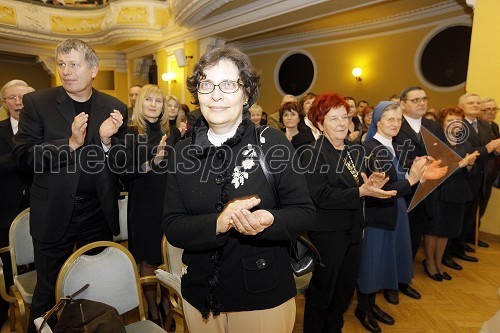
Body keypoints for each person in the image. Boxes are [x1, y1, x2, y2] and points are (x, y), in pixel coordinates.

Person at [163, 45, 315, 333]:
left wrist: (269, 220)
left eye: (229, 84)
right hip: (200, 297)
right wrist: (218, 223)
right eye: (206, 84)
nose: (216, 94)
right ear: (198, 93)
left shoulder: (273, 143)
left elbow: (305, 213)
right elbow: (173, 226)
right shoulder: (182, 152)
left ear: (246, 94)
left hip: (263, 296)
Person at [12, 39, 127, 333]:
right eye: (61, 64)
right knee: (48, 292)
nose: (65, 71)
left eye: (74, 64)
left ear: (93, 69)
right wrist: (70, 144)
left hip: (98, 212)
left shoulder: (114, 107)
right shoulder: (38, 102)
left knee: (95, 285)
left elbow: (122, 165)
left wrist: (105, 143)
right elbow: (23, 157)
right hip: (53, 210)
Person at [302, 94, 397, 333]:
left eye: (344, 117)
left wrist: (372, 184)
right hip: (328, 235)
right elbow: (321, 195)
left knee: (344, 292)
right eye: (333, 119)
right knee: (322, 293)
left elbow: (361, 183)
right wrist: (360, 192)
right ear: (320, 124)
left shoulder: (353, 150)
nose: (342, 123)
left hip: (354, 232)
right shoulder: (312, 153)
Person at [356, 102, 427, 333]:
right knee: (371, 264)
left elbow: (394, 178)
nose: (396, 124)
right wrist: (413, 179)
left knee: (382, 262)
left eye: (398, 120)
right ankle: (363, 309)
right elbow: (383, 189)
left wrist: (412, 173)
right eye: (390, 119)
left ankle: (371, 305)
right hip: (378, 216)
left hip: (393, 213)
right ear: (378, 121)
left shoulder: (390, 144)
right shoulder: (371, 148)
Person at [115, 84, 181, 328]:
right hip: (144, 205)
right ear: (139, 104)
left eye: (158, 100)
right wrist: (151, 163)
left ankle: (167, 302)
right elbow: (122, 173)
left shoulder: (171, 131)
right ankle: (152, 308)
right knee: (149, 259)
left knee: (171, 256)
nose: (154, 104)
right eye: (149, 100)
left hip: (171, 202)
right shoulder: (130, 133)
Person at [389, 86, 446, 305]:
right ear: (403, 103)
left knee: (413, 240)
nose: (421, 103)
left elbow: (443, 154)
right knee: (396, 241)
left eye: (424, 99)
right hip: (402, 193)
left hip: (425, 194)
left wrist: (434, 163)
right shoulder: (394, 124)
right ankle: (390, 284)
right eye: (415, 100)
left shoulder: (433, 126)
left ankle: (404, 280)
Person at [423, 106, 478, 282]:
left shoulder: (466, 144)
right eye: (450, 120)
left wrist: (470, 166)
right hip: (438, 193)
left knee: (446, 230)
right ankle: (429, 263)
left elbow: (472, 173)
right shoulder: (435, 143)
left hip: (457, 194)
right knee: (433, 230)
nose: (455, 125)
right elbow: (437, 171)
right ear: (442, 123)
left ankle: (439, 263)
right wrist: (460, 165)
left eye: (458, 121)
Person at [0, 80, 34, 326]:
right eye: (12, 97)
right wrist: (23, 154)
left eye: (23, 96)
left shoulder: (40, 128)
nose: (18, 101)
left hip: (39, 206)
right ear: (4, 103)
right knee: (7, 267)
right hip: (6, 209)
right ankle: (6, 316)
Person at [449, 93, 500, 258]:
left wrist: (494, 152)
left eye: (478, 103)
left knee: (470, 216)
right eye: (471, 103)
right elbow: (462, 152)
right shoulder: (457, 125)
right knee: (459, 216)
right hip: (463, 178)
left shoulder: (485, 125)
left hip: (481, 178)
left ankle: (460, 245)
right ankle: (448, 251)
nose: (476, 105)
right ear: (461, 107)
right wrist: (489, 148)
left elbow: (487, 152)